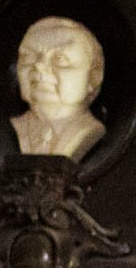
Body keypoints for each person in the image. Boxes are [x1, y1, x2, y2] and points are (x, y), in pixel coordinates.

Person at [11, 15, 106, 160]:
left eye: (59, 59)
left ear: (93, 77)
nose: (39, 65)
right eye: (29, 57)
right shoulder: (7, 130)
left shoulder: (90, 131)